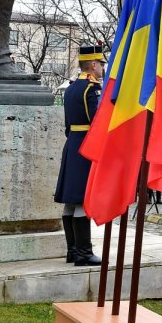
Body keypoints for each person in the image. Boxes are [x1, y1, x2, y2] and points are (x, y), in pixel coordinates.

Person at [53, 44, 106, 266]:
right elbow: (97, 122)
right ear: (93, 65)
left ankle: (73, 252)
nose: (102, 68)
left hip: (72, 143)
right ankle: (84, 254)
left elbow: (67, 125)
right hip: (86, 146)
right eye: (101, 64)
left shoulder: (72, 88)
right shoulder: (90, 89)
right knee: (82, 199)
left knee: (71, 201)